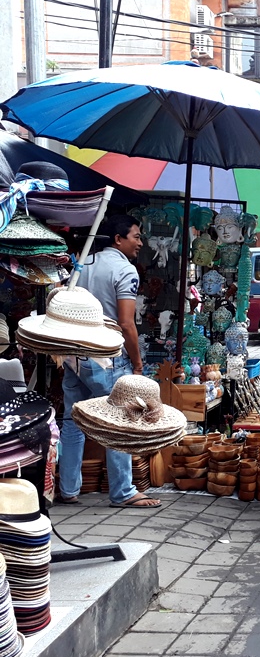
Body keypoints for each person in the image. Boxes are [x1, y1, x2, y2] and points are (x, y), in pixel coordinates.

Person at [59, 214, 159, 509]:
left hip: (73, 352)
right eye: (136, 236)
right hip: (106, 355)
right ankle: (123, 491)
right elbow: (126, 323)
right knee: (120, 422)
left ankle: (68, 489)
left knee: (73, 420)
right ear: (118, 239)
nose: (140, 242)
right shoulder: (125, 270)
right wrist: (138, 363)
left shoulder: (83, 264)